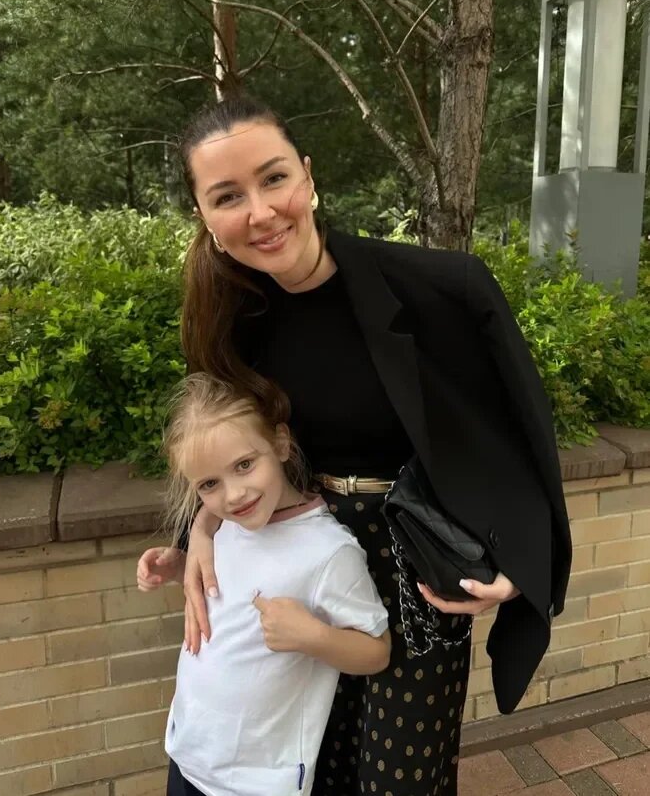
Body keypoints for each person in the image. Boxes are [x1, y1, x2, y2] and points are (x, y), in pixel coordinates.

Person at [158, 95, 572, 796]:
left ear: (308, 176)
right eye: (227, 196)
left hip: (415, 566)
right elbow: (224, 442)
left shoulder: (440, 288)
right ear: (203, 215)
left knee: (399, 781)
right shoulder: (231, 317)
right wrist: (200, 524)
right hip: (299, 558)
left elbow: (517, 434)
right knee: (312, 769)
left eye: (274, 178)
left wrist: (516, 562)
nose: (261, 212)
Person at [137, 373, 390, 796]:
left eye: (244, 465)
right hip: (189, 754)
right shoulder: (225, 528)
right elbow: (229, 588)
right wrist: (179, 569)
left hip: (257, 781)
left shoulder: (329, 552)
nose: (234, 495)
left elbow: (377, 651)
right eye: (209, 484)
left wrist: (313, 636)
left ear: (281, 444)